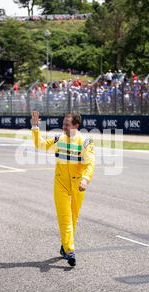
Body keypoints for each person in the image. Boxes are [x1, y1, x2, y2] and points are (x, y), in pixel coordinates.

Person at [31, 111, 94, 267]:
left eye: (67, 124)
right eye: (64, 123)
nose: (63, 126)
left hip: (78, 185)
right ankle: (70, 250)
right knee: (65, 218)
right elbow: (40, 145)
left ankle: (64, 246)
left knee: (73, 218)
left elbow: (90, 163)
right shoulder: (59, 138)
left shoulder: (85, 142)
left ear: (76, 125)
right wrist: (35, 126)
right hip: (60, 184)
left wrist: (85, 180)